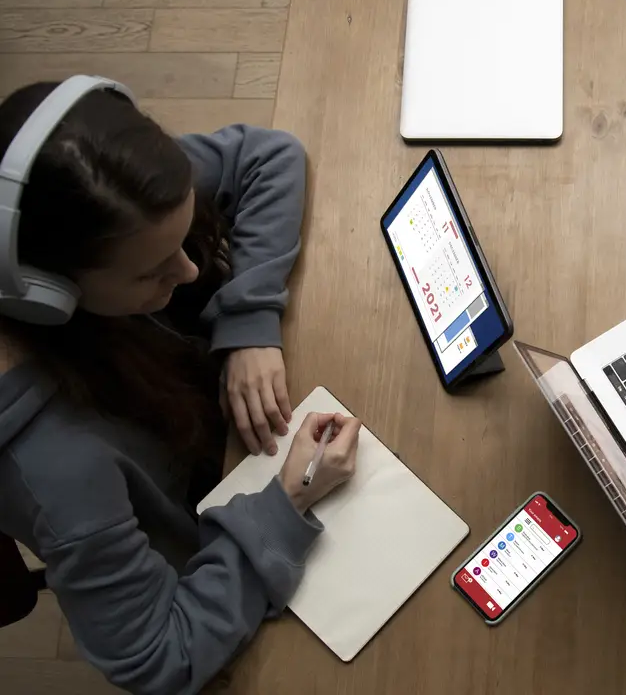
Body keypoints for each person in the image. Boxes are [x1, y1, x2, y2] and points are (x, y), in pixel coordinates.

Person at [0, 77, 363, 695]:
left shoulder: (103, 201)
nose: (192, 271)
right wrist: (288, 503)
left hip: (205, 423)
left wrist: (249, 323)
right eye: (153, 273)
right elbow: (160, 662)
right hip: (212, 535)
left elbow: (267, 156)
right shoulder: (58, 472)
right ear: (49, 292)